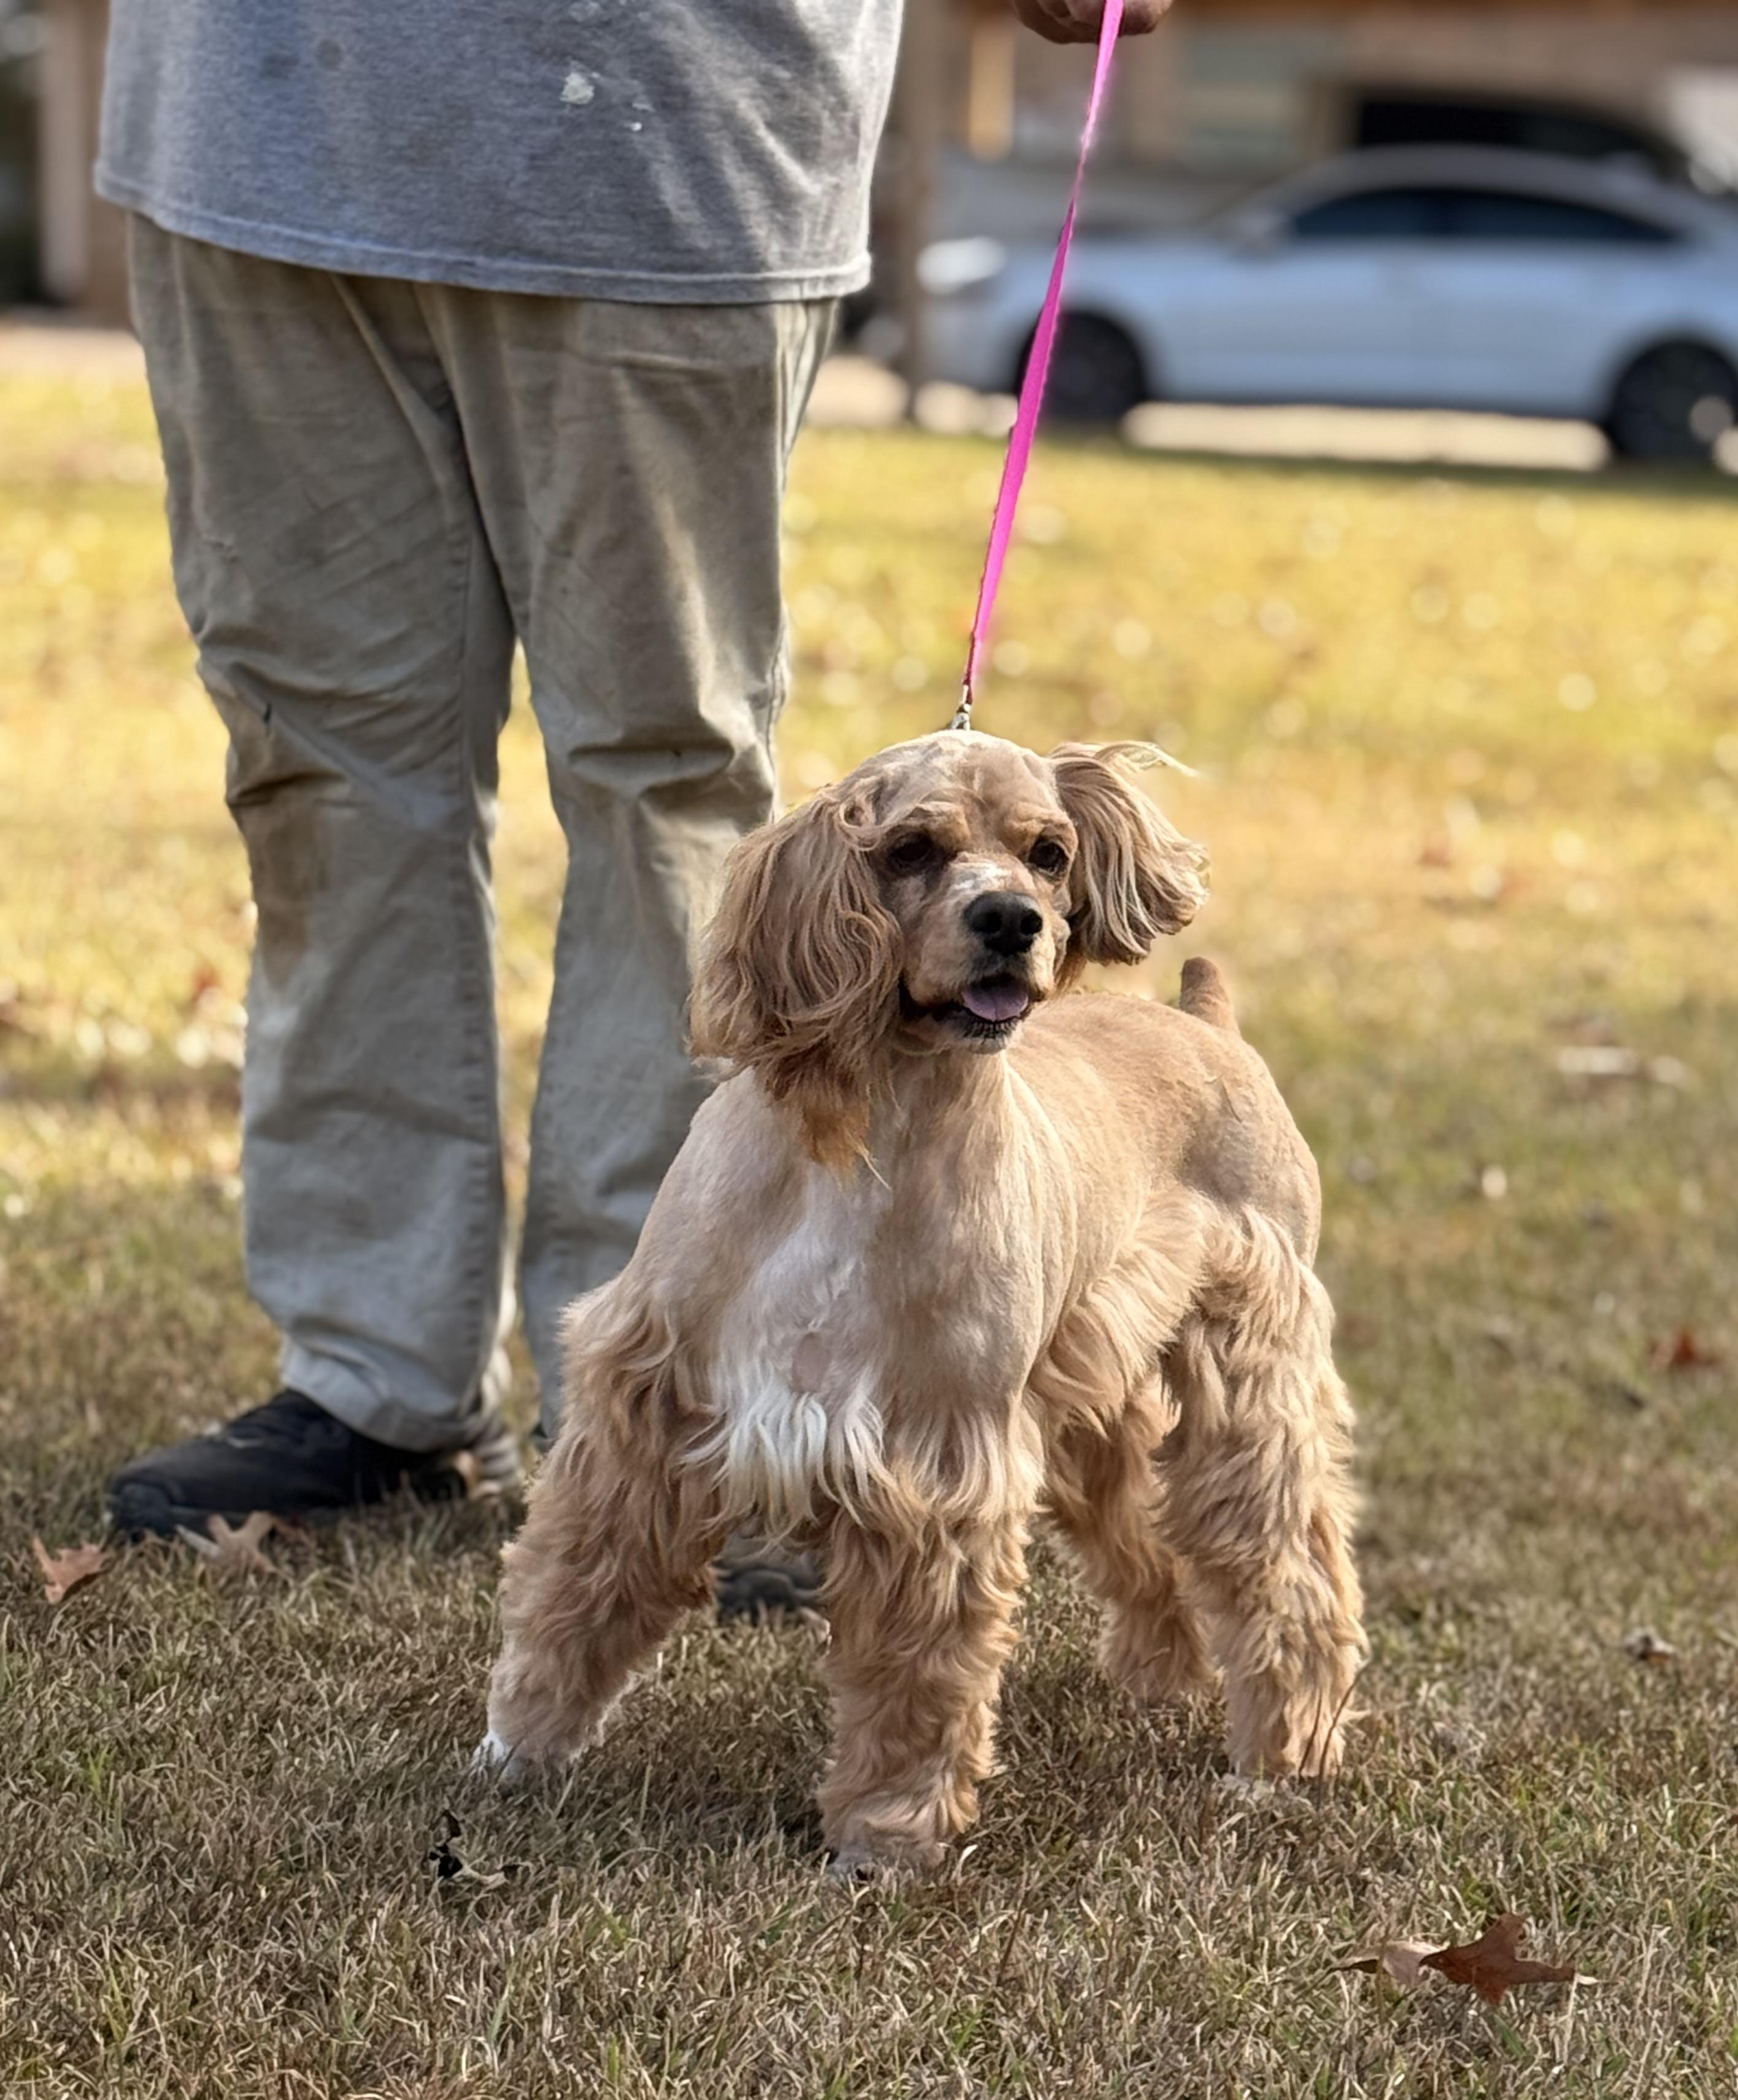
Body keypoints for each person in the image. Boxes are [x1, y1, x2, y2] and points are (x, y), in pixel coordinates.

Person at [96, 0, 1167, 1606]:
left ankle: (697, 1404)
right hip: (248, 117)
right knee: (319, 758)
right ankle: (371, 1369)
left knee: (666, 777)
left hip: (653, 127)